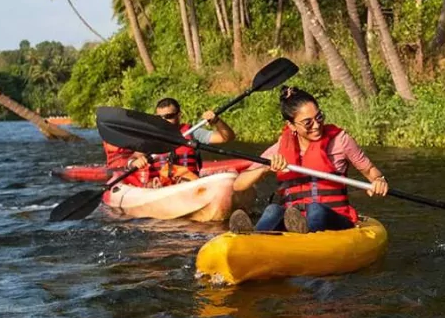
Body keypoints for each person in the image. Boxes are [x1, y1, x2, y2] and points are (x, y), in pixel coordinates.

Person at [227, 86, 388, 234]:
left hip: (335, 221)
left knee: (316, 209)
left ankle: (304, 235)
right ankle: (252, 237)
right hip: (294, 220)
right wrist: (266, 168)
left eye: (319, 117)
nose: (317, 126)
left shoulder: (340, 141)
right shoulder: (280, 148)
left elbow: (370, 171)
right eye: (307, 123)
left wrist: (379, 180)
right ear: (291, 126)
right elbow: (239, 184)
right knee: (273, 210)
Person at [108, 97, 236, 187]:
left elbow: (226, 137)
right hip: (160, 186)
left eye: (169, 117)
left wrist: (217, 122)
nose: (164, 121)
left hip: (188, 184)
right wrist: (134, 162)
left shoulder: (192, 132)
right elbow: (133, 158)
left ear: (179, 115)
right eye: (160, 118)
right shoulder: (151, 137)